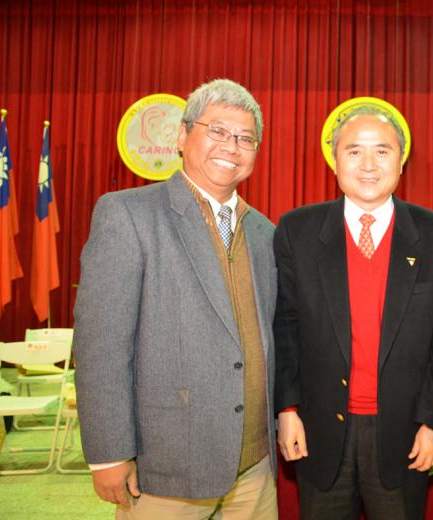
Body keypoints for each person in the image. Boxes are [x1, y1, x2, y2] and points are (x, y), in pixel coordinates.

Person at [74, 78, 278, 519]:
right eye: (217, 131)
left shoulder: (265, 232)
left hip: (255, 467)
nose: (231, 147)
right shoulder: (127, 214)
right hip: (167, 466)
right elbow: (101, 345)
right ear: (183, 136)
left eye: (245, 138)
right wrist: (108, 454)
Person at [273, 103, 433, 519]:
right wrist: (286, 410)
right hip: (319, 432)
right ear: (334, 160)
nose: (368, 165)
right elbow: (285, 328)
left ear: (401, 160)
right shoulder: (296, 231)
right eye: (354, 151)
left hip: (405, 434)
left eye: (382, 151)